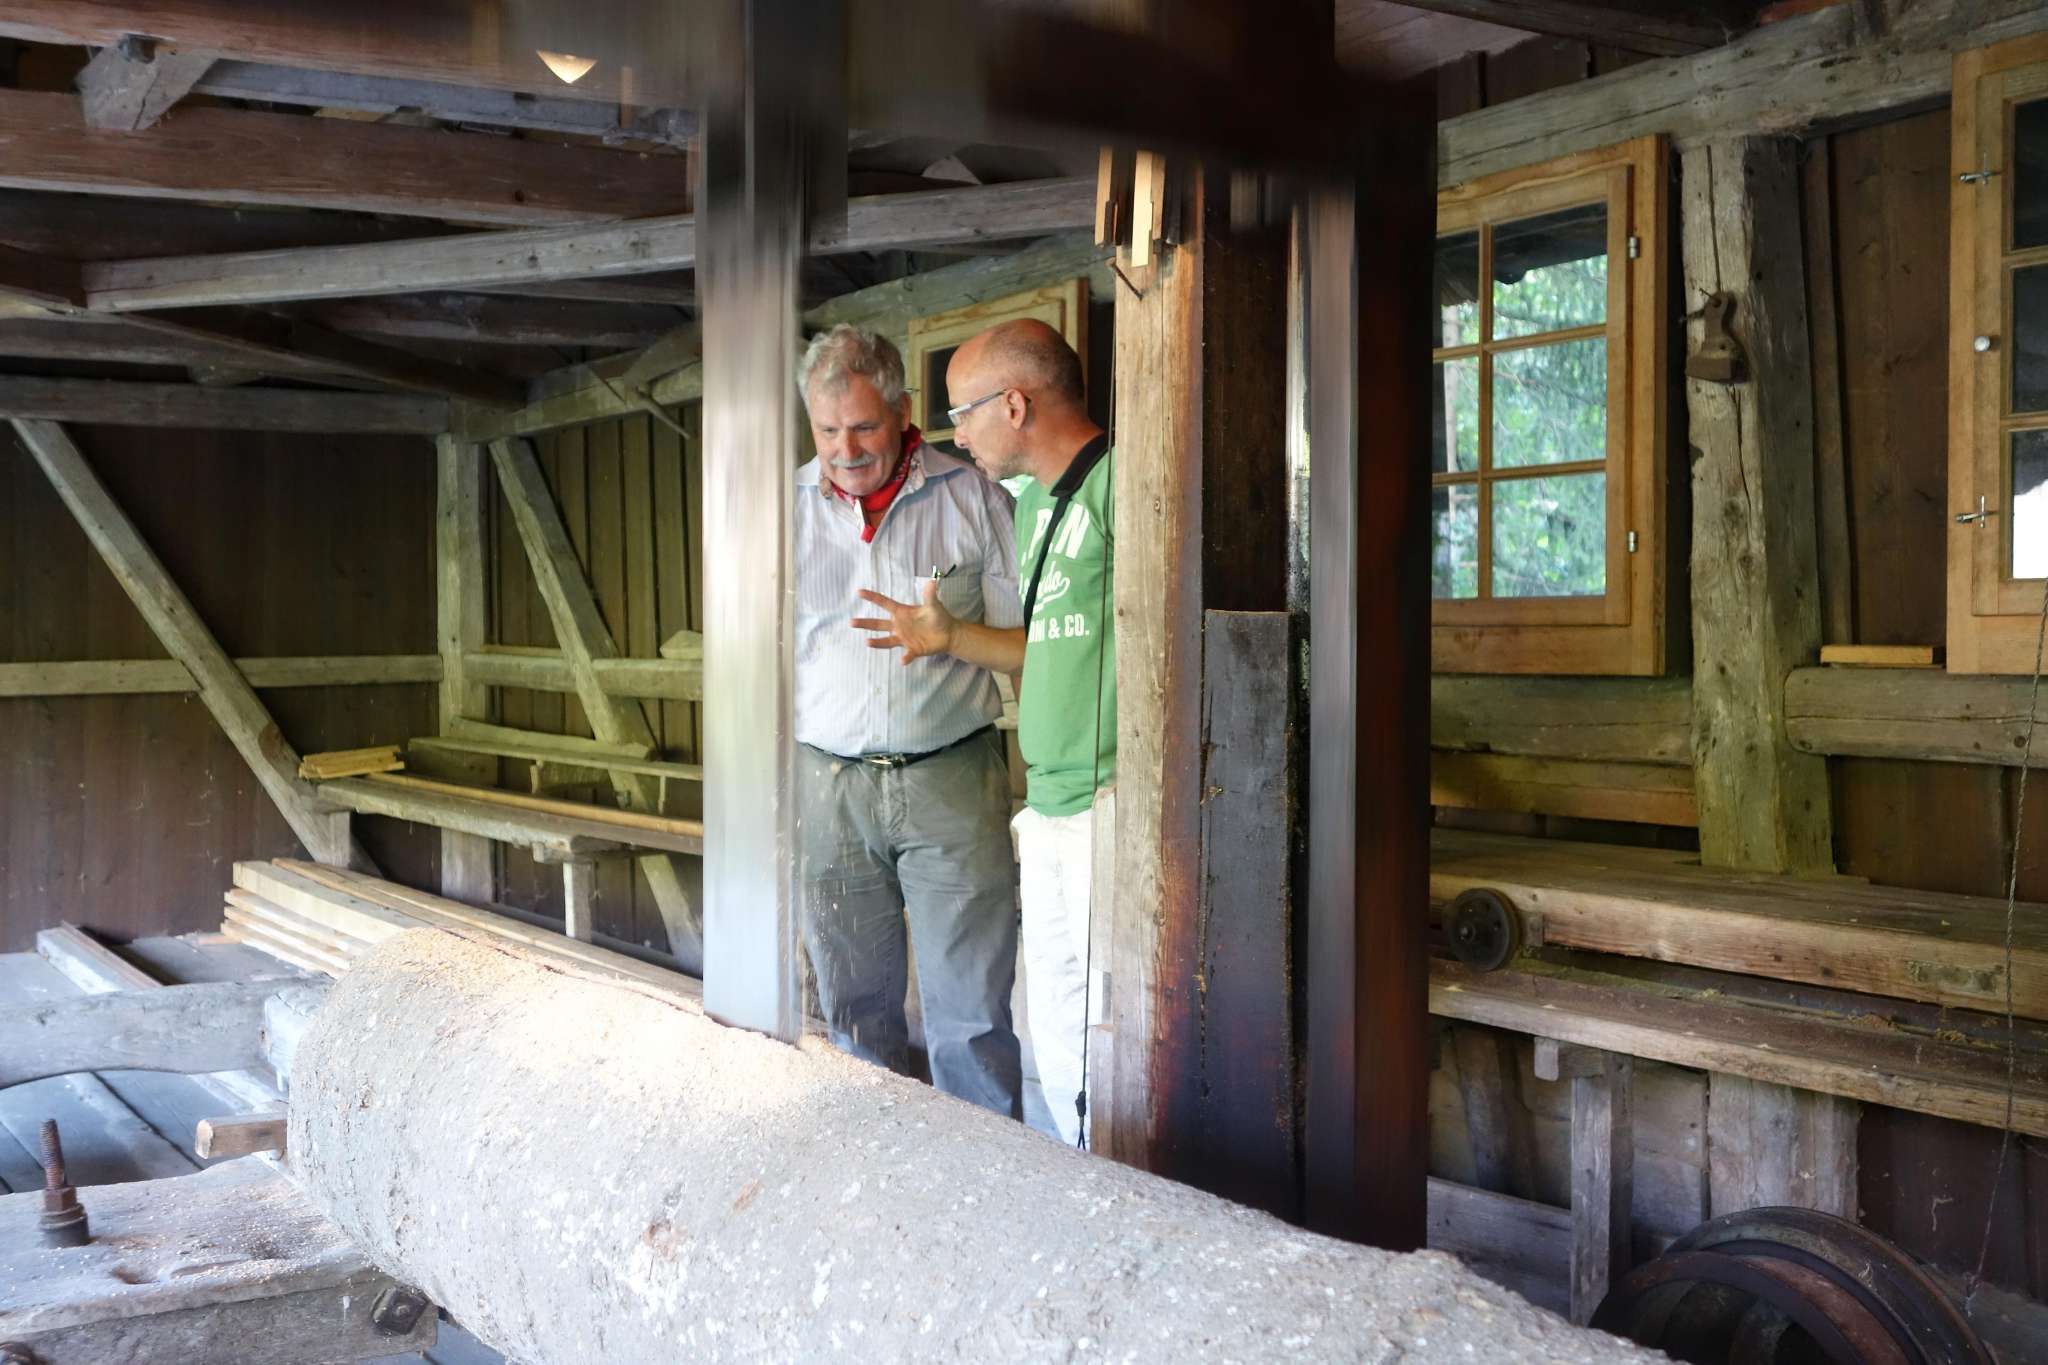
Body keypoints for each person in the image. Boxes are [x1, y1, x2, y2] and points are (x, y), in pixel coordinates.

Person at [851, 319, 1113, 1147]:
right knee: (1060, 1034)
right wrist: (950, 637)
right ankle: (1079, 1181)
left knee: (1114, 1031)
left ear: (1015, 404)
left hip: (1114, 800)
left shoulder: (1123, 484)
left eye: (963, 414)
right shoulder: (1032, 506)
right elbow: (1042, 644)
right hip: (1051, 799)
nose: (957, 437)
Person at [792, 323, 1024, 1118]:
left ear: (901, 412)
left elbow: (1028, 646)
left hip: (949, 776)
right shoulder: (784, 513)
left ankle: (987, 1169)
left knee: (972, 1014)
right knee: (854, 1009)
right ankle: (876, 1163)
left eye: (863, 426)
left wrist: (952, 636)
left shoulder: (974, 499)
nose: (845, 449)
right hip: (827, 785)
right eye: (827, 430)